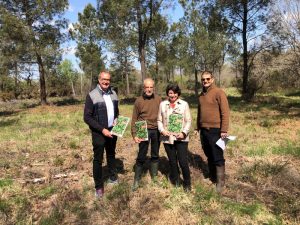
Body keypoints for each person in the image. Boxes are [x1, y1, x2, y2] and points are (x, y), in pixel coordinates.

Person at [84, 71, 119, 198]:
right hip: (99, 132)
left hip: (112, 131)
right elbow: (87, 117)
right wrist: (102, 129)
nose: (106, 82)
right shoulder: (92, 95)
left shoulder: (114, 94)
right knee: (98, 159)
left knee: (111, 154)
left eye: (108, 80)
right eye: (103, 79)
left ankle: (113, 178)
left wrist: (116, 119)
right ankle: (98, 187)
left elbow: (116, 112)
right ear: (99, 80)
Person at [196, 71, 230, 194]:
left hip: (216, 130)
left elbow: (225, 112)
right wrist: (198, 126)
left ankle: (221, 183)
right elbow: (200, 112)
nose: (205, 81)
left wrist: (224, 130)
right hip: (204, 130)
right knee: (208, 154)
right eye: (203, 79)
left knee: (217, 155)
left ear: (212, 79)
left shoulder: (219, 93)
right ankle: (212, 177)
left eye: (207, 79)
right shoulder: (201, 95)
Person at [157, 84, 192, 191]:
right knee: (172, 161)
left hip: (181, 138)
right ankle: (176, 180)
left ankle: (187, 183)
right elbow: (159, 120)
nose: (173, 95)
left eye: (175, 93)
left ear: (178, 93)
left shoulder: (184, 104)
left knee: (182, 161)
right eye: (171, 93)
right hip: (168, 138)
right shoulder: (162, 104)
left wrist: (184, 133)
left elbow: (188, 120)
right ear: (168, 93)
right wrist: (162, 130)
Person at [131, 78, 162, 190]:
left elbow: (163, 114)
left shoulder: (159, 99)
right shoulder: (138, 101)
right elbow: (134, 118)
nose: (149, 89)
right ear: (143, 88)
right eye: (147, 87)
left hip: (156, 130)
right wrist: (134, 134)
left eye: (151, 87)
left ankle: (154, 177)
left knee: (155, 153)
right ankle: (137, 179)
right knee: (141, 154)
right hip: (142, 129)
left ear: (153, 88)